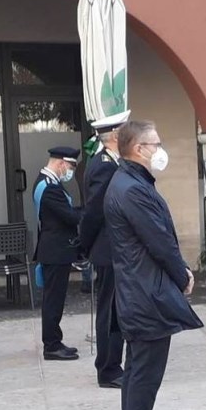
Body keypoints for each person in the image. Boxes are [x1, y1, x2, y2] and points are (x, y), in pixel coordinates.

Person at [105, 120, 203, 410]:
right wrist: (182, 274)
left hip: (140, 291)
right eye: (156, 144)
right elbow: (158, 240)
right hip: (145, 294)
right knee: (143, 375)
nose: (161, 150)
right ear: (138, 149)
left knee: (138, 372)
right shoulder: (131, 188)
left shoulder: (131, 182)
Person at [79, 110, 129, 388]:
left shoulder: (112, 162)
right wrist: (86, 245)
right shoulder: (104, 166)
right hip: (107, 248)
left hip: (113, 248)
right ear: (116, 136)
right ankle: (108, 368)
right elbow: (94, 212)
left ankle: (114, 364)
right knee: (109, 311)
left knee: (117, 309)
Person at [33, 146, 83, 361]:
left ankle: (55, 340)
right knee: (53, 301)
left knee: (55, 299)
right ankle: (51, 345)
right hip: (55, 251)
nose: (70, 171)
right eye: (70, 166)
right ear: (61, 163)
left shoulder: (47, 182)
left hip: (56, 250)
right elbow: (69, 217)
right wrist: (89, 212)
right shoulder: (49, 187)